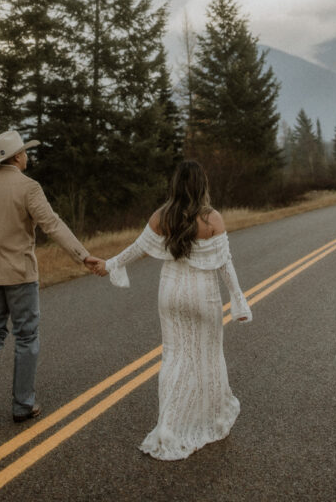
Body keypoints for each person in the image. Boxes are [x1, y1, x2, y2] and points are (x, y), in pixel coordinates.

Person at [93, 160, 252, 460]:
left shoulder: (161, 216)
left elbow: (136, 249)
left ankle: (168, 425)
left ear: (175, 185)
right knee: (207, 356)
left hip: (170, 294)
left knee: (175, 357)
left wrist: (110, 264)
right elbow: (225, 264)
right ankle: (212, 420)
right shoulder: (212, 219)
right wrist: (238, 299)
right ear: (202, 185)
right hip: (202, 296)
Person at [0, 129, 101, 427]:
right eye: (24, 152)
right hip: (20, 274)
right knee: (26, 336)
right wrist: (82, 255)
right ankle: (22, 405)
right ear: (18, 156)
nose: (27, 156)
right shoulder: (28, 187)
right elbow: (52, 224)